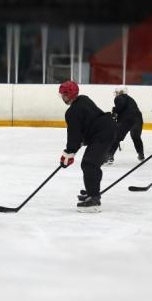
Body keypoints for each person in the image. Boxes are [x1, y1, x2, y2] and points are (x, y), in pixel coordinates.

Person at [58, 81, 116, 213]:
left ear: (70, 94)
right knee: (90, 164)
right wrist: (73, 149)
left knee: (90, 164)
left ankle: (94, 199)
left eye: (64, 95)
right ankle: (91, 191)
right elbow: (86, 126)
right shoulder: (83, 99)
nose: (62, 97)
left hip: (102, 134)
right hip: (106, 129)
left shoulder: (72, 112)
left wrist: (69, 152)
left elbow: (74, 135)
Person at [107, 85, 144, 164]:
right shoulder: (131, 99)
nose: (116, 94)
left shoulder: (119, 97)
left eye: (117, 92)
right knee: (136, 136)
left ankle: (109, 155)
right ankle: (141, 154)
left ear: (121, 92)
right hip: (138, 118)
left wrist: (114, 111)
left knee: (117, 137)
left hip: (127, 119)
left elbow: (120, 105)